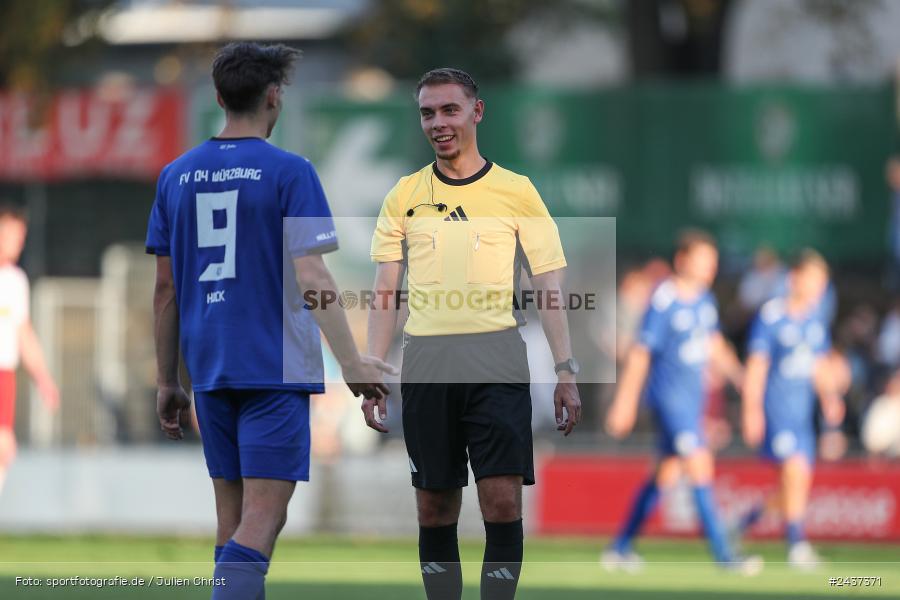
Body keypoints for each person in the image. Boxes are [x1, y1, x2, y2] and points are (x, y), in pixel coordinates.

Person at [146, 42, 394, 600]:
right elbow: (314, 277)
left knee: (234, 520)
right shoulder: (290, 172)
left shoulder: (175, 177)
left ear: (218, 97)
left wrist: (168, 381)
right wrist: (352, 364)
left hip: (208, 365)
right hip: (274, 365)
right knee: (265, 516)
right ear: (274, 97)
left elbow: (165, 289)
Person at [366, 68, 582, 600]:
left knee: (502, 501)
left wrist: (565, 370)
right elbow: (385, 291)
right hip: (427, 363)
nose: (438, 123)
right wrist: (370, 368)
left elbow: (549, 288)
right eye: (427, 113)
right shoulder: (403, 195)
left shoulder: (517, 191)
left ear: (476, 112)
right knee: (434, 505)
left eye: (449, 110)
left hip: (496, 358)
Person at [604, 230, 757, 573]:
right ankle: (724, 554)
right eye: (703, 260)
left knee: (665, 475)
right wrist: (625, 403)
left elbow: (714, 344)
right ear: (682, 260)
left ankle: (620, 547)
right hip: (670, 400)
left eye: (712, 262)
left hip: (692, 400)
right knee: (701, 465)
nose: (709, 268)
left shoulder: (704, 300)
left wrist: (739, 376)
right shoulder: (665, 299)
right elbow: (641, 353)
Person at [735, 250, 845, 569]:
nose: (817, 288)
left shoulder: (814, 321)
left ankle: (743, 524)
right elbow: (756, 366)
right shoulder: (772, 316)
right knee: (794, 473)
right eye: (812, 280)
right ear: (794, 278)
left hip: (802, 415)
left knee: (795, 483)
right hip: (777, 411)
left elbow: (819, 366)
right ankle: (796, 545)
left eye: (822, 283)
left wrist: (830, 400)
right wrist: (751, 410)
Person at [0, 203, 59, 495]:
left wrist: (44, 379)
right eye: (12, 235)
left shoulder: (14, 281)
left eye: (21, 237)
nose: (18, 243)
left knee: (3, 451)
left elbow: (23, 333)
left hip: (4, 377)